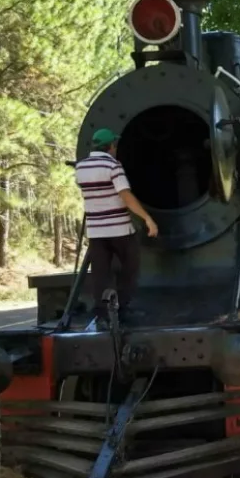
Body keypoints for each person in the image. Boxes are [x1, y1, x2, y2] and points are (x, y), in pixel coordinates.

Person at [75, 128, 158, 328]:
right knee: (130, 268)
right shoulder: (113, 166)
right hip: (119, 229)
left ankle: (103, 316)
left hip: (96, 231)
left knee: (101, 274)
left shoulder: (81, 168)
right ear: (111, 146)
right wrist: (147, 218)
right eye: (114, 145)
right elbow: (125, 195)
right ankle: (123, 309)